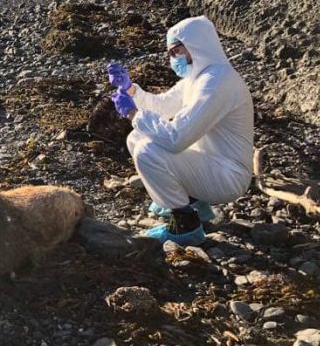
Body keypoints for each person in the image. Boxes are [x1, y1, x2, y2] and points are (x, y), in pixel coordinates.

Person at [107, 16, 254, 246]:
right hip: (211, 164)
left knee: (147, 151)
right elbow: (164, 105)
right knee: (137, 137)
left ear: (196, 45)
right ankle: (194, 204)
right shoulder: (199, 77)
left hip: (228, 176)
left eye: (176, 50)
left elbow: (176, 138)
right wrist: (131, 91)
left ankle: (186, 224)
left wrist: (133, 114)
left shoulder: (216, 82)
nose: (172, 58)